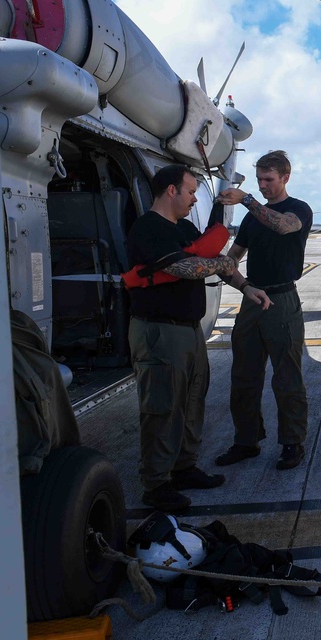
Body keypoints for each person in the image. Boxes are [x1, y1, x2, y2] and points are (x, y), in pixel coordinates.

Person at [126, 165, 250, 511]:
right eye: (191, 191)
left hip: (189, 330)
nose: (195, 197)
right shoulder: (148, 229)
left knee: (193, 400)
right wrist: (215, 263)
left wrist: (245, 286)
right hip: (159, 331)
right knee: (162, 407)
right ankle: (156, 485)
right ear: (170, 191)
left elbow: (208, 260)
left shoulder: (181, 228)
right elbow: (186, 267)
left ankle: (183, 467)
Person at [215, 151, 314, 471]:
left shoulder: (297, 210)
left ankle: (292, 443)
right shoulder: (250, 219)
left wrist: (246, 200)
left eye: (268, 180)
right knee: (243, 376)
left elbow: (284, 227)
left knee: (287, 377)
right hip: (252, 300)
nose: (263, 185)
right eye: (259, 180)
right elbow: (232, 259)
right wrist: (231, 277)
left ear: (285, 177)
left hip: (282, 301)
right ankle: (246, 441)